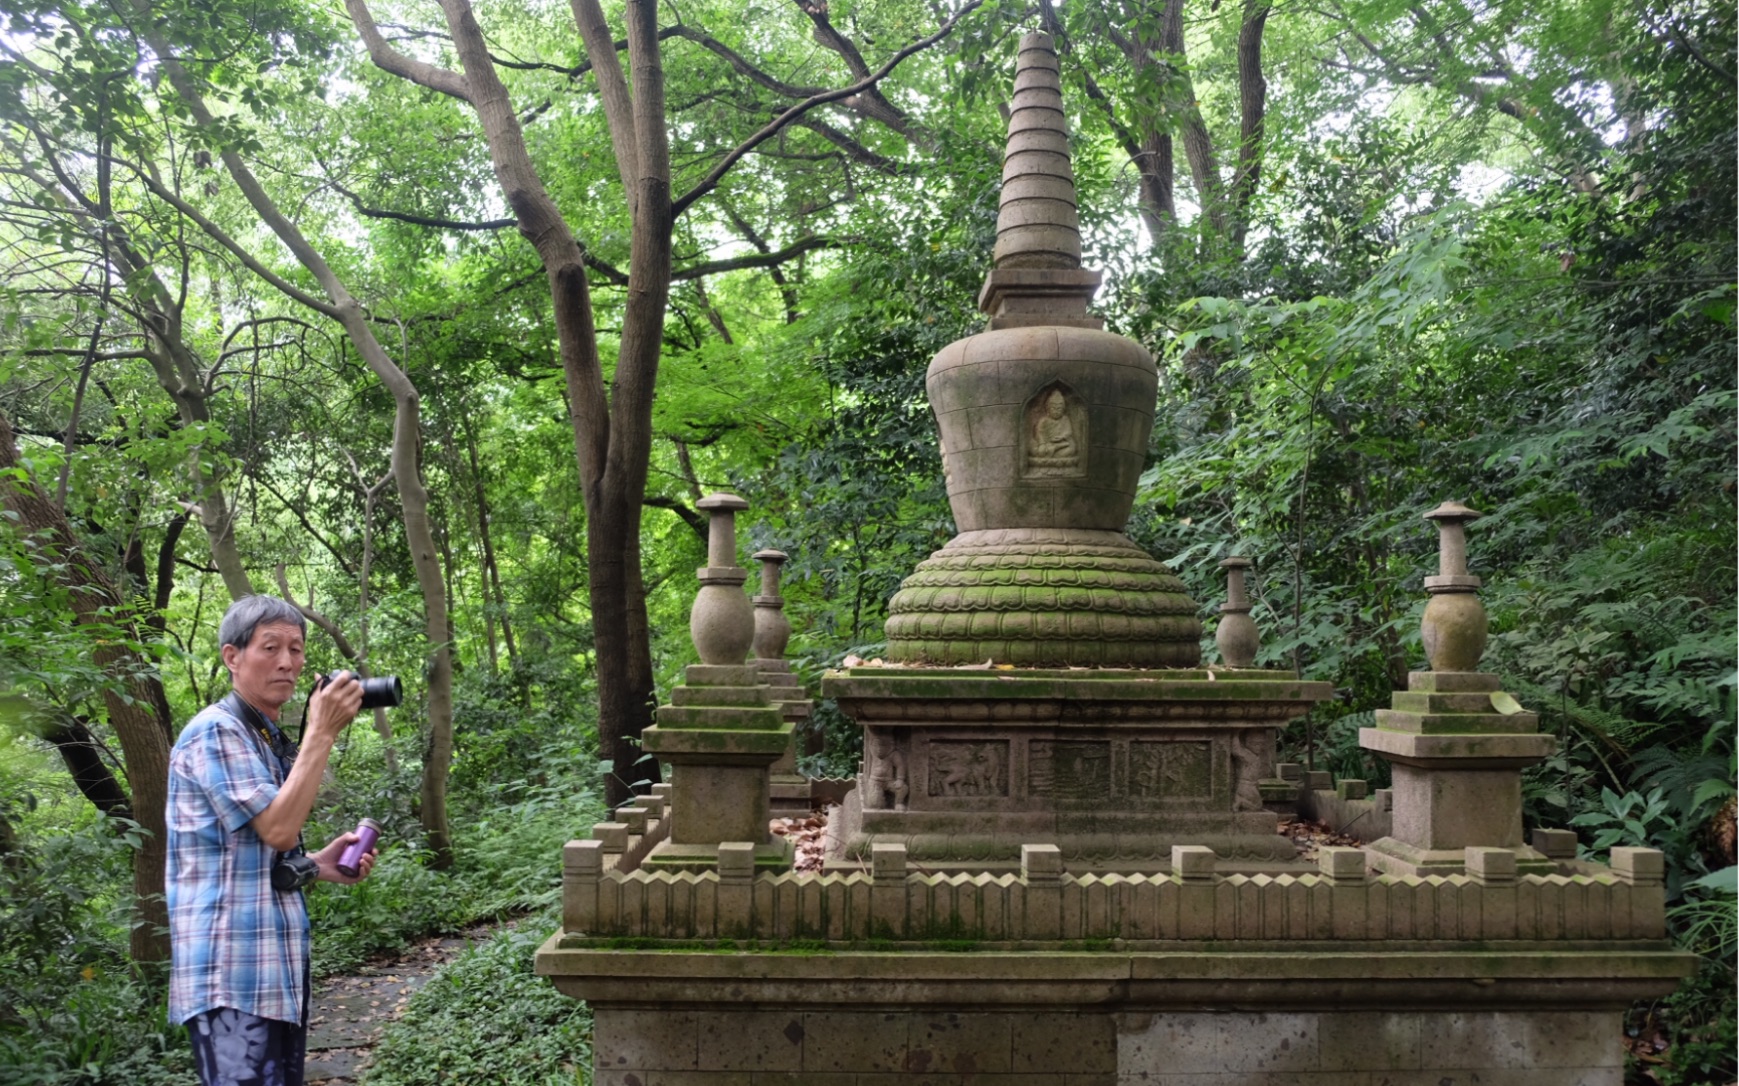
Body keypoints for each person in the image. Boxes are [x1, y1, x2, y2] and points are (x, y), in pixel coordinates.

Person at [166, 595, 375, 1086]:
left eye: (296, 649)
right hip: (231, 978)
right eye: (270, 647)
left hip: (272, 976)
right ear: (232, 657)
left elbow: (256, 850)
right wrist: (321, 732)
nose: (287, 662)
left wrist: (316, 864)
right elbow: (278, 829)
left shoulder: (260, 736)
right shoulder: (216, 732)